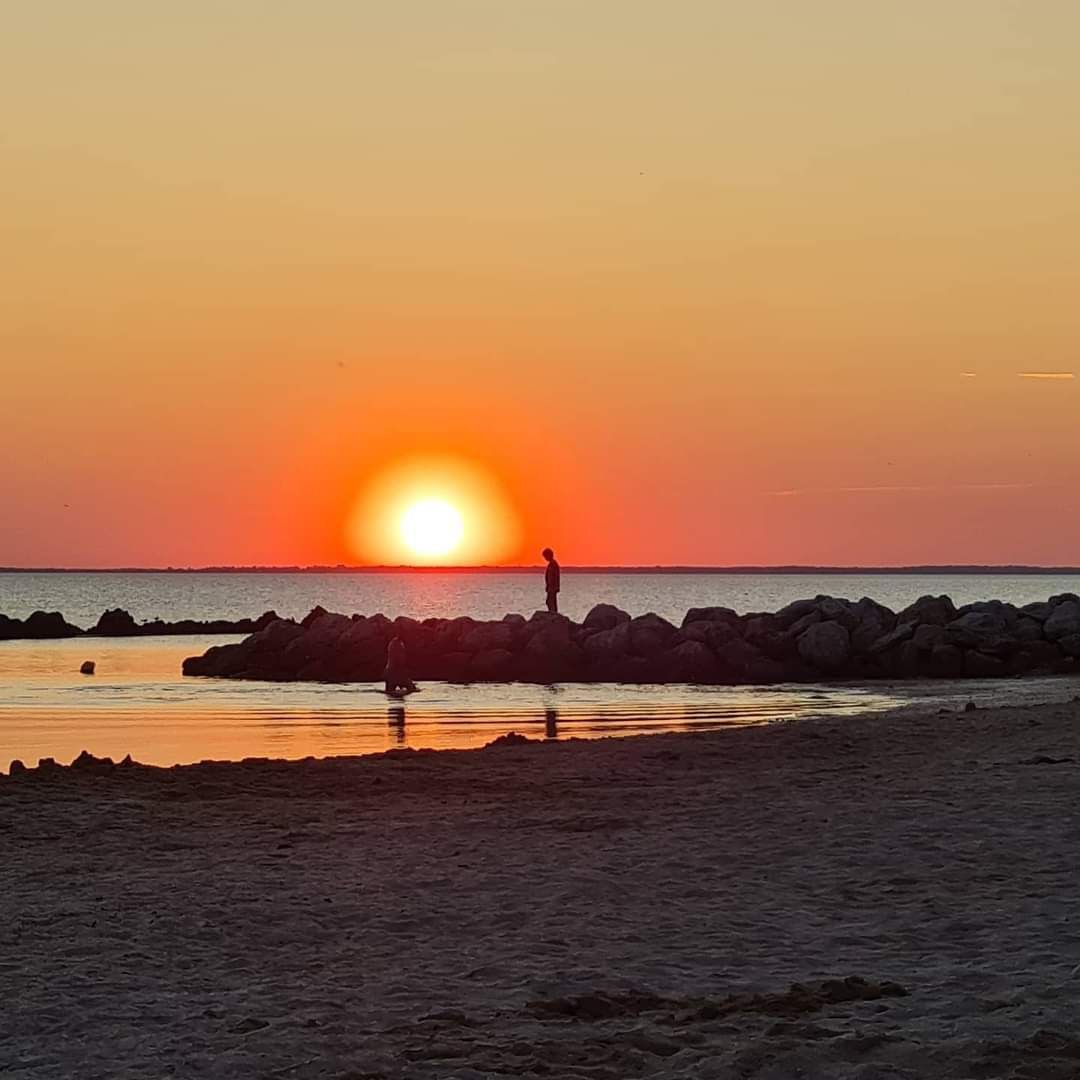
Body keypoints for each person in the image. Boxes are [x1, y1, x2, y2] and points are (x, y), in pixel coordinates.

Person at [542, 547, 561, 613]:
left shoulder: (553, 564)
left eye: (545, 556)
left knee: (550, 601)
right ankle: (553, 613)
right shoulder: (552, 564)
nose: (545, 558)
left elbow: (553, 577)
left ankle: (553, 613)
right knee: (550, 601)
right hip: (551, 587)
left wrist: (552, 586)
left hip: (552, 587)